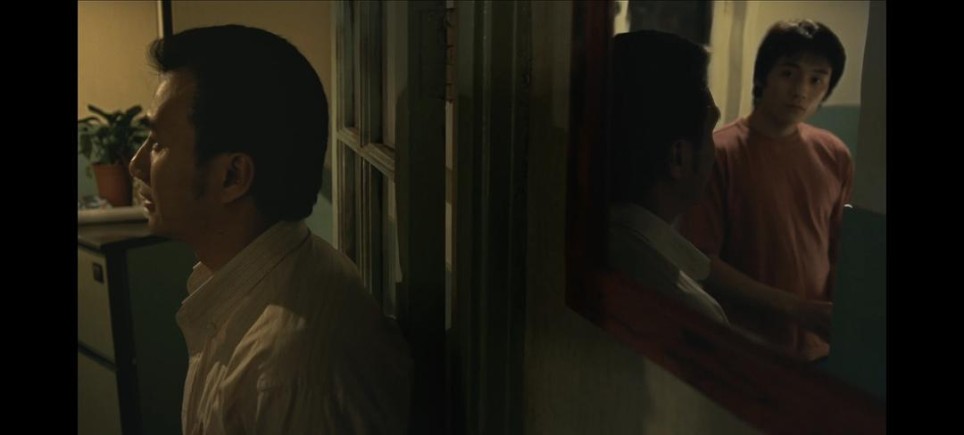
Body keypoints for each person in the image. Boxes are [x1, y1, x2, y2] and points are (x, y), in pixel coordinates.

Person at [128, 25, 411, 434]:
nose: (136, 165)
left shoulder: (286, 368)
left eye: (157, 144)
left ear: (232, 177)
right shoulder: (265, 281)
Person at [678, 19, 852, 362]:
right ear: (763, 77)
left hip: (819, 349)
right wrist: (795, 308)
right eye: (788, 73)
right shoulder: (720, 153)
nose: (801, 90)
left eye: (817, 79)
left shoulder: (834, 154)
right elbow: (701, 260)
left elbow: (840, 250)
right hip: (744, 345)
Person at [606, 30, 727, 324]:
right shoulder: (691, 311)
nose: (715, 151)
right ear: (679, 157)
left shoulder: (590, 239)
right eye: (710, 131)